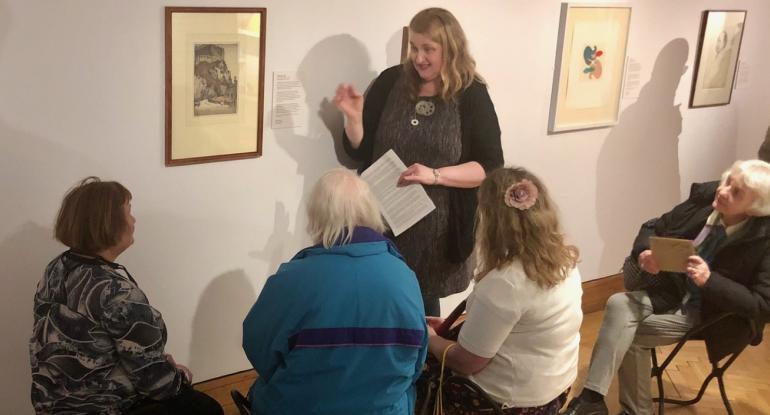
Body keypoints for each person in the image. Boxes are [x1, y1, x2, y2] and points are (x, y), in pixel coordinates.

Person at [563, 160, 770, 415]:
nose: (723, 190)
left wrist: (710, 280)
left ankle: (629, 410)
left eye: (736, 192)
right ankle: (592, 400)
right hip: (671, 290)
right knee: (618, 303)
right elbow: (654, 225)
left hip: (711, 314)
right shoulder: (706, 199)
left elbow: (763, 306)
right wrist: (644, 253)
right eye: (727, 181)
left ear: (755, 208)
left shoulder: (764, 239)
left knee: (630, 336)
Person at [334, 7, 504, 316]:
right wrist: (354, 119)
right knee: (377, 301)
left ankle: (427, 364)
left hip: (437, 232)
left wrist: (435, 175)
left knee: (421, 312)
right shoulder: (389, 82)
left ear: (450, 49)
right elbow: (360, 150)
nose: (419, 57)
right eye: (414, 47)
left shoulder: (471, 94)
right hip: (381, 220)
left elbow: (489, 167)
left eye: (429, 49)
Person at [29, 177, 223, 415]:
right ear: (109, 223)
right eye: (129, 212)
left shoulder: (56, 269)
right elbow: (157, 385)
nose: (133, 221)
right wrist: (178, 376)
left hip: (52, 403)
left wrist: (157, 363)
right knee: (207, 409)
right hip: (103, 407)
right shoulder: (116, 293)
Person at [242, 168, 428, 415]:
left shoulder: (293, 278)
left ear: (316, 216)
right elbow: (415, 363)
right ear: (371, 210)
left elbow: (259, 351)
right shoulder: (404, 276)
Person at [425, 167, 583, 414]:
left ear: (490, 221)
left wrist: (432, 339)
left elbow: (467, 363)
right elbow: (524, 327)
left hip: (509, 401)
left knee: (420, 377)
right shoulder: (564, 259)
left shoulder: (506, 282)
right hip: (556, 386)